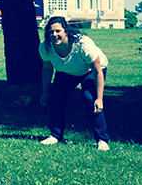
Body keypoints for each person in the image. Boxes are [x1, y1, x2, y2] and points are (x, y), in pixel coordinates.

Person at [39, 16, 110, 151]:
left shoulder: (83, 44)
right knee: (56, 98)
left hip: (90, 70)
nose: (54, 35)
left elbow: (97, 71)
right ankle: (55, 136)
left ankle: (102, 140)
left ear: (65, 31)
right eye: (51, 32)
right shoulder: (45, 47)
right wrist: (45, 91)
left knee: (90, 99)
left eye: (58, 31)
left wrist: (99, 98)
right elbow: (47, 68)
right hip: (66, 71)